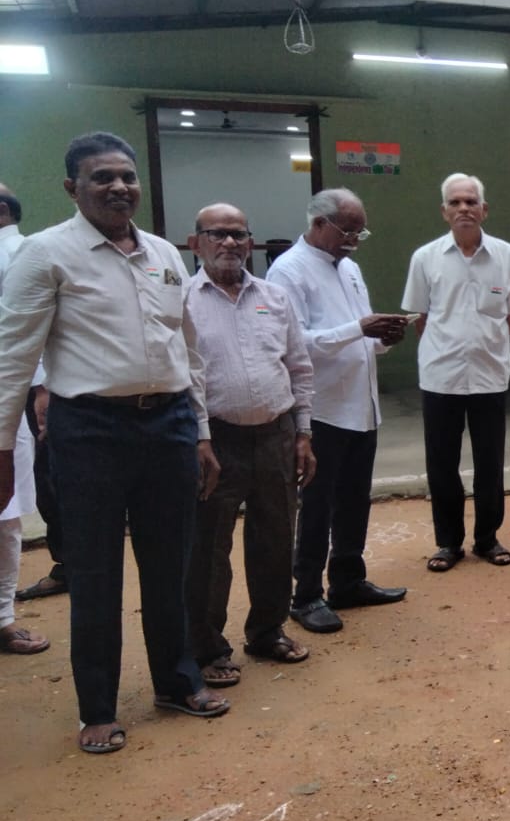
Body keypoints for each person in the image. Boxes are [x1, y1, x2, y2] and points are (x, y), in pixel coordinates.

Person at [0, 132, 229, 754]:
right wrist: (2, 449)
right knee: (96, 572)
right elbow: (13, 357)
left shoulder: (161, 253)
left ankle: (177, 683)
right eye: (102, 177)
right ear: (73, 187)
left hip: (169, 426)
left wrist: (200, 432)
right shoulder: (46, 255)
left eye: (126, 176)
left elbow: (188, 350)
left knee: (171, 565)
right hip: (90, 431)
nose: (119, 187)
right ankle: (97, 707)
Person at [184, 203, 316, 688]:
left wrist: (303, 432)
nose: (230, 243)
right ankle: (207, 646)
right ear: (195, 242)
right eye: (217, 234)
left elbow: (299, 366)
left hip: (277, 435)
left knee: (276, 537)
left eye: (239, 234)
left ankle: (266, 630)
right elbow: (185, 379)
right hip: (215, 440)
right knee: (208, 548)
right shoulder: (182, 301)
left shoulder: (275, 297)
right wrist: (198, 437)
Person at [266, 188, 409, 634]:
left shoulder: (349, 268)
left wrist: (384, 337)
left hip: (360, 405)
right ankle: (306, 594)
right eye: (348, 230)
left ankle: (348, 580)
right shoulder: (287, 272)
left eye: (359, 230)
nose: (355, 240)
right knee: (317, 503)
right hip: (321, 408)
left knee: (353, 499)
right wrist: (358, 328)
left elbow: (360, 338)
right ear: (318, 224)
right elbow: (294, 343)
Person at [402, 173, 510, 573]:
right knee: (442, 464)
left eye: (471, 202)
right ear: (444, 212)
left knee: (490, 463)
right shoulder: (425, 258)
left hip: (490, 377)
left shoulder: (507, 256)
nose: (464, 208)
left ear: (484, 209)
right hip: (441, 377)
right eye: (455, 203)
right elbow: (421, 318)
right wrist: (450, 347)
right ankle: (448, 543)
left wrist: (486, 347)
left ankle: (487, 539)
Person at [0, 188, 67, 604]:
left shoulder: (22, 252)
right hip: (24, 385)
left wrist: (42, 387)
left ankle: (69, 565)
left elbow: (36, 329)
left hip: (26, 387)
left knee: (46, 480)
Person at [0, 185, 50, 658]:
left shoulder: (20, 253)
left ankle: (3, 618)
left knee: (4, 514)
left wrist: (39, 388)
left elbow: (26, 331)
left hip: (5, 398)